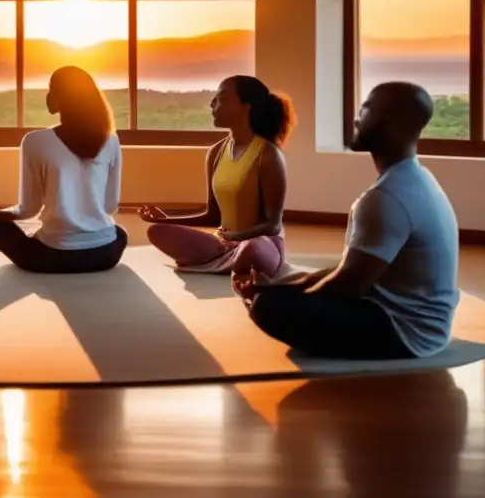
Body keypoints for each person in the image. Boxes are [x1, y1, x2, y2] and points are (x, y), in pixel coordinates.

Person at [234, 81, 460, 360]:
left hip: (406, 334)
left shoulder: (387, 197)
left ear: (388, 122)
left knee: (268, 306)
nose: (356, 117)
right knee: (282, 287)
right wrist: (285, 285)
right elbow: (351, 268)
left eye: (365, 109)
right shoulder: (416, 179)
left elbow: (347, 286)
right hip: (422, 324)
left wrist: (278, 298)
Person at [139, 75, 296, 279]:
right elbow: (212, 215)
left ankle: (228, 260)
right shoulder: (215, 152)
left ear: (245, 106)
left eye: (221, 98)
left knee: (251, 250)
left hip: (261, 243)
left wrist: (235, 237)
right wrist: (166, 217)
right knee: (157, 231)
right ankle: (228, 261)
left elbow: (273, 225)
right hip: (223, 243)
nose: (212, 104)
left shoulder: (268, 155)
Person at [0, 66, 127, 273]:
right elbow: (110, 206)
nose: (47, 95)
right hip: (106, 254)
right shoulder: (111, 140)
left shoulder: (34, 141)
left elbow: (28, 210)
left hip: (55, 257)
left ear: (60, 98)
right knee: (118, 233)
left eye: (51, 89)